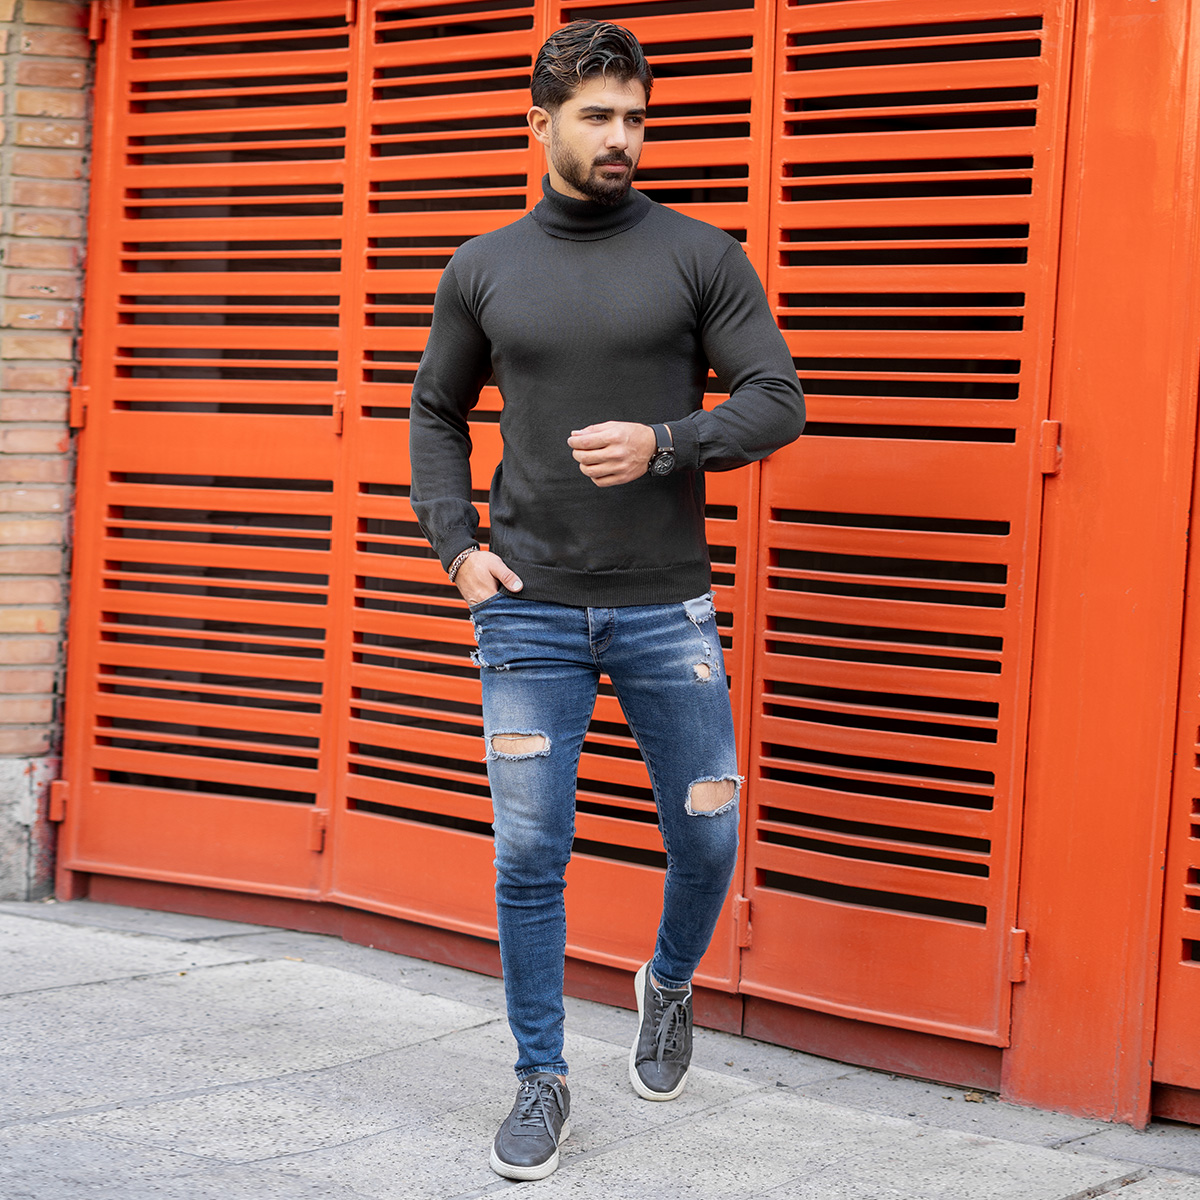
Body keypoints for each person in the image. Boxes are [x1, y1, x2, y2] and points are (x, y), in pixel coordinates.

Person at [409, 19, 804, 1181]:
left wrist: (669, 441)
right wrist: (457, 552)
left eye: (635, 117)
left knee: (709, 831)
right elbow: (435, 412)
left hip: (664, 607)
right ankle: (540, 1078)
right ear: (541, 125)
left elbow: (778, 398)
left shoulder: (700, 255)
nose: (622, 136)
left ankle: (667, 982)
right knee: (531, 851)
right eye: (598, 117)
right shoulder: (484, 266)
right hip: (526, 610)